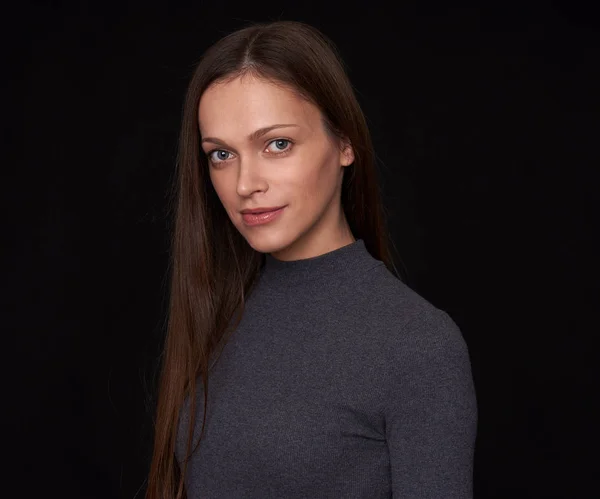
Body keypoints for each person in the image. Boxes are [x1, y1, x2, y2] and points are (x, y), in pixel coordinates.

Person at [146, 20, 478, 499]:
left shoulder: (418, 346)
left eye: (277, 144)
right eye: (221, 155)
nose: (244, 184)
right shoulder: (217, 313)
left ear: (344, 144)